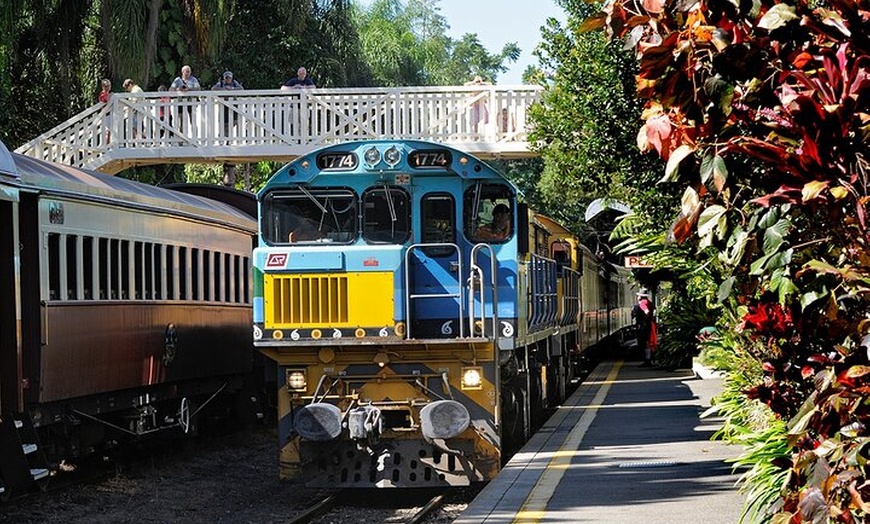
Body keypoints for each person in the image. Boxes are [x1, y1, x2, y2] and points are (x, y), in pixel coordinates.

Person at [169, 65, 201, 133]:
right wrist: (178, 89)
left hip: (191, 102)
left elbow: (198, 89)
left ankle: (195, 139)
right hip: (180, 102)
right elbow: (171, 90)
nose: (188, 73)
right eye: (186, 71)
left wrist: (189, 89)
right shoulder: (177, 80)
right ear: (182, 72)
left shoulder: (193, 80)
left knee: (193, 121)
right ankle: (182, 139)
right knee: (181, 121)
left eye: (189, 72)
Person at [212, 71, 244, 137]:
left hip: (234, 104)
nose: (228, 79)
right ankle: (225, 136)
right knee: (224, 122)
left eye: (229, 78)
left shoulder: (234, 83)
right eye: (226, 78)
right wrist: (224, 89)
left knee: (235, 121)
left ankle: (228, 135)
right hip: (224, 104)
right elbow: (213, 89)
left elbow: (241, 89)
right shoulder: (220, 83)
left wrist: (232, 89)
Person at [633, 290, 657, 367]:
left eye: (638, 296)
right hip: (649, 324)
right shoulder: (649, 302)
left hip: (644, 326)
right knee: (648, 342)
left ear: (640, 296)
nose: (637, 297)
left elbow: (646, 311)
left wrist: (644, 320)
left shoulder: (643, 303)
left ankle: (647, 360)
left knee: (645, 342)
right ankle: (648, 359)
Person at [98, 78, 112, 143]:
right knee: (107, 131)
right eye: (106, 86)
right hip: (105, 115)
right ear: (103, 86)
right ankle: (106, 145)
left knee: (109, 131)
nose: (108, 87)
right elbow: (105, 100)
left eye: (109, 86)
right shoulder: (102, 94)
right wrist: (110, 96)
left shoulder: (108, 93)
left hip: (110, 114)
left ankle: (107, 144)